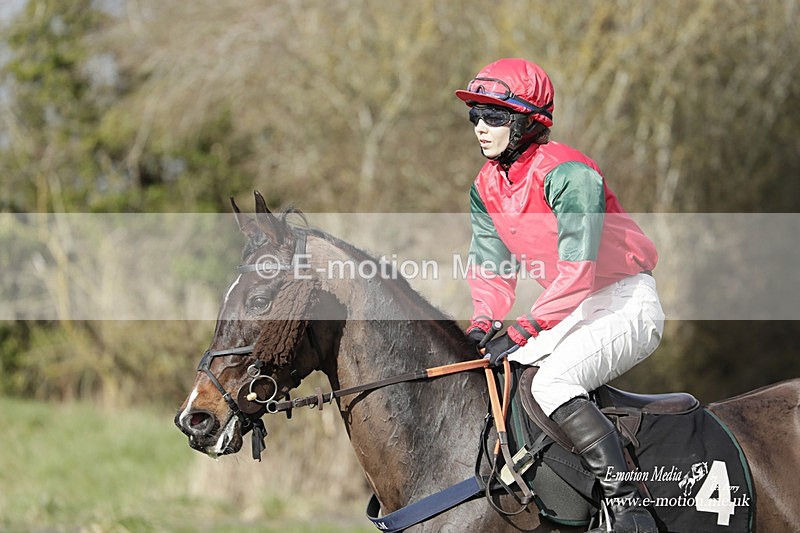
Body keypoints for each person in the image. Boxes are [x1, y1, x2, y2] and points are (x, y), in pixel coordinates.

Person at [456, 58, 664, 533]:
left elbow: (577, 273)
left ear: (528, 122)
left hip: (626, 302)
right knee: (506, 370)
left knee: (551, 384)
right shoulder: (486, 184)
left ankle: (627, 506)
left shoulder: (571, 173)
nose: (481, 130)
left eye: (495, 118)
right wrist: (484, 322)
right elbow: (490, 265)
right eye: (476, 117)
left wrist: (526, 327)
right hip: (575, 308)